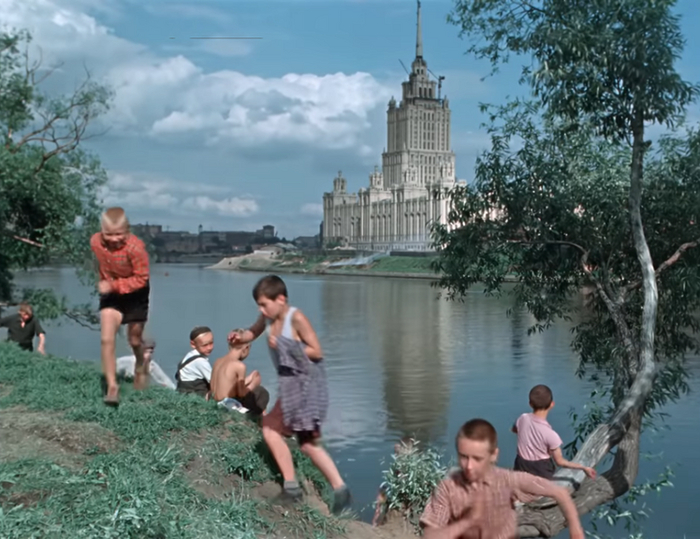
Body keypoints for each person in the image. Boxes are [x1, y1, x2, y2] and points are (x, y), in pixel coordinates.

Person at [228, 274, 351, 515]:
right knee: (305, 443)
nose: (261, 309)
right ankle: (339, 489)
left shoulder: (296, 318)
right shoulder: (268, 316)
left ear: (281, 299)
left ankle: (293, 488)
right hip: (291, 386)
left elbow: (316, 351)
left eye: (264, 304)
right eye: (258, 305)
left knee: (272, 429)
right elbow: (254, 331)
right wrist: (241, 337)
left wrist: (287, 346)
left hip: (305, 385)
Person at [420, 418, 585, 539]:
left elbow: (559, 492)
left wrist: (575, 529)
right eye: (464, 457)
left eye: (477, 459)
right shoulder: (448, 487)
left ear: (493, 455)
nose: (469, 466)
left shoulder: (508, 480)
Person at [90, 207, 150, 406]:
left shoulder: (136, 248)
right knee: (106, 338)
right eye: (109, 234)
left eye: (119, 234)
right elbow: (99, 263)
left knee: (134, 340)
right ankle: (112, 387)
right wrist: (104, 281)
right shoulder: (95, 242)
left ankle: (141, 363)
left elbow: (142, 278)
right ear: (101, 230)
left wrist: (114, 285)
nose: (114, 239)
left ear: (127, 230)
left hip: (136, 293)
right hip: (111, 294)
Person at [512, 385, 596, 480]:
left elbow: (515, 430)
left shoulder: (522, 418)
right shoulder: (551, 435)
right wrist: (583, 467)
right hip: (541, 471)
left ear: (530, 404)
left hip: (521, 468)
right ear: (552, 404)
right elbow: (560, 462)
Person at [210, 328, 270, 415]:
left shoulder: (217, 361)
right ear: (246, 348)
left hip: (216, 402)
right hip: (228, 405)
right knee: (262, 392)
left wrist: (249, 379)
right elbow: (241, 394)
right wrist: (254, 384)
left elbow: (226, 385)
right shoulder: (239, 366)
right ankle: (259, 419)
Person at [176, 326, 215, 397]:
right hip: (195, 397)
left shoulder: (190, 355)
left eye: (211, 343)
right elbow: (215, 382)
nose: (209, 348)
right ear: (193, 344)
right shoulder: (200, 361)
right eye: (205, 345)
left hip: (183, 393)